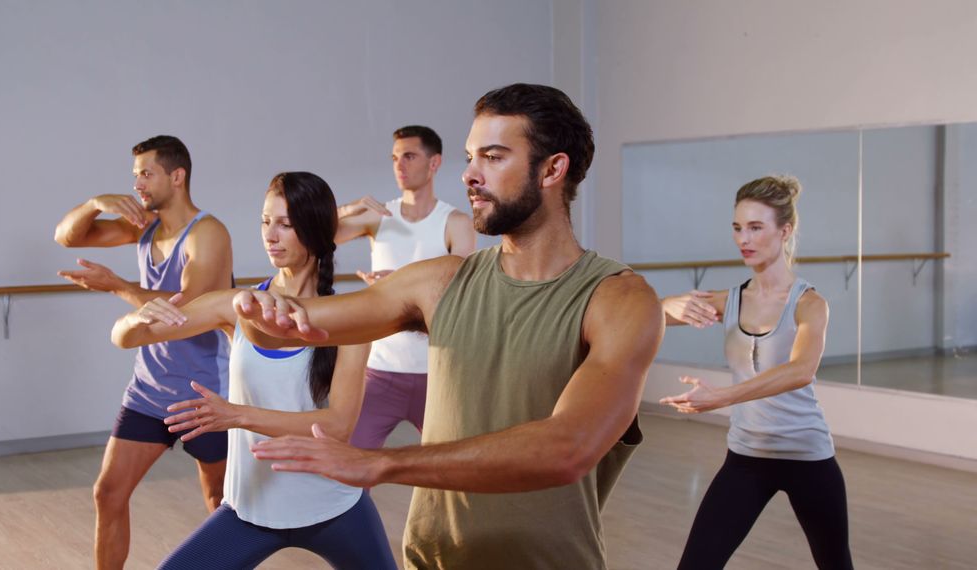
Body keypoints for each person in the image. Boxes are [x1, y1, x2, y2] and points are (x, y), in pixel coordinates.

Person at [212, 84, 664, 569]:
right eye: (471, 157)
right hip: (431, 561)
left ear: (553, 169)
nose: (469, 175)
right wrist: (253, 311)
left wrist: (382, 463)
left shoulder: (618, 299)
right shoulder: (439, 282)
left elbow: (567, 449)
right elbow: (293, 327)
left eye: (492, 157)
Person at [112, 172, 396, 569]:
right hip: (251, 507)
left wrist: (237, 415)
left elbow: (337, 426)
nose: (270, 235)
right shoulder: (239, 306)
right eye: (265, 221)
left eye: (284, 224)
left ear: (313, 231)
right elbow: (126, 338)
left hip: (334, 505)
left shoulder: (350, 320)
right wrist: (135, 318)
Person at [53, 135, 233, 570]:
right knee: (108, 492)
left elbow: (188, 310)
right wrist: (96, 203)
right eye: (135, 175)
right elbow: (67, 237)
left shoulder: (208, 233)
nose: (138, 184)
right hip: (149, 392)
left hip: (203, 395)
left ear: (177, 176)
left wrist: (118, 286)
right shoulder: (143, 227)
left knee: (221, 503)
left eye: (147, 174)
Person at [658, 175, 853, 569]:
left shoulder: (810, 304)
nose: (743, 238)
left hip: (807, 457)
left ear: (785, 231)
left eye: (755, 227)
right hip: (746, 458)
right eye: (737, 227)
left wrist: (722, 397)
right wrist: (667, 305)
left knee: (835, 564)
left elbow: (800, 370)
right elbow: (637, 321)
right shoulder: (728, 300)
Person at [335, 125, 475, 450]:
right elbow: (313, 239)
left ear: (434, 163)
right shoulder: (378, 216)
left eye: (409, 156)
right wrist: (347, 210)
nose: (400, 165)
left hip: (438, 372)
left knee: (449, 471)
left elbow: (462, 294)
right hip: (380, 372)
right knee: (348, 469)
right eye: (395, 157)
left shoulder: (456, 223)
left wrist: (397, 284)